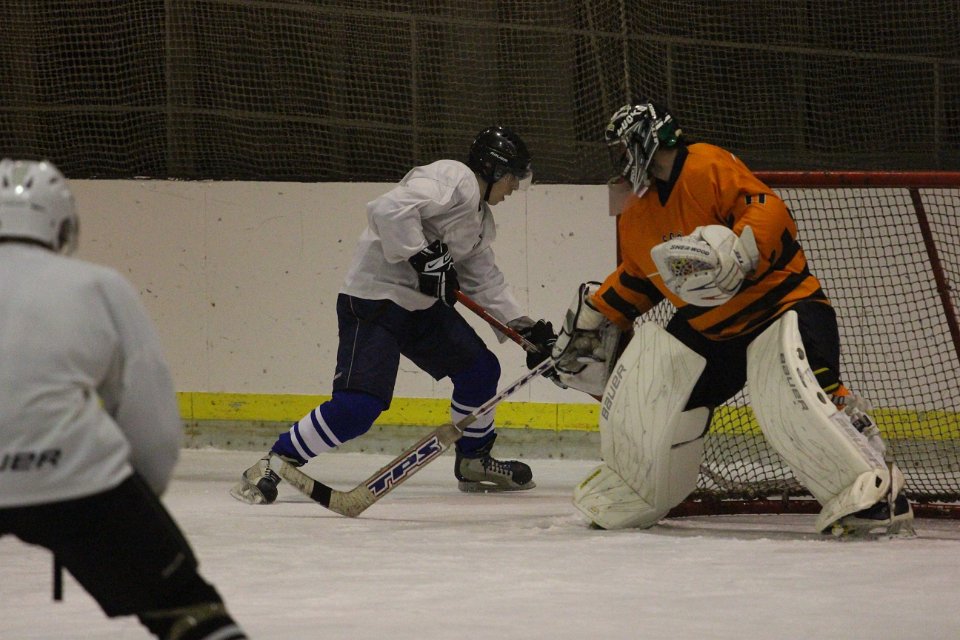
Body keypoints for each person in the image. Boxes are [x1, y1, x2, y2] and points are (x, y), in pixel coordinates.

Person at [550, 101, 913, 537]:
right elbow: (640, 277)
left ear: (645, 142)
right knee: (656, 398)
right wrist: (596, 315)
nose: (620, 160)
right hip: (711, 332)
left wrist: (743, 250)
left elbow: (768, 210)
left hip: (781, 307)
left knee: (802, 394)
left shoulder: (706, 165)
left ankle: (878, 490)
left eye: (623, 149)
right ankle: (637, 489)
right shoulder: (637, 211)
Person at [231, 126, 556, 504]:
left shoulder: (480, 223)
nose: (514, 188)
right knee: (359, 407)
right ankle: (273, 461)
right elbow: (387, 210)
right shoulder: (455, 179)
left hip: (421, 311)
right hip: (376, 302)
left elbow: (484, 281)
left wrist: (526, 330)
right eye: (513, 178)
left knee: (480, 371)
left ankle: (473, 460)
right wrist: (421, 254)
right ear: (495, 169)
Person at [0, 159, 248, 639]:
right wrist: (136, 512)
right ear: (62, 225)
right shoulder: (97, 286)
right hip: (77, 483)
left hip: (74, 481)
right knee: (188, 613)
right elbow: (151, 427)